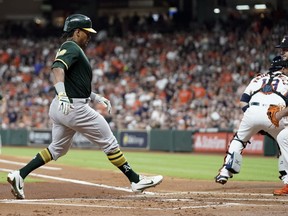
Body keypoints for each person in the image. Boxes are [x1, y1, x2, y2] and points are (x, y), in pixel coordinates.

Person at [7, 14, 163, 199]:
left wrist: (95, 97)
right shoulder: (71, 46)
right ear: (77, 32)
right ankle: (135, 180)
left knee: (58, 149)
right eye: (86, 32)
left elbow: (77, 84)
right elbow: (57, 68)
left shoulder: (74, 49)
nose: (89, 36)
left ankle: (20, 175)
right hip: (73, 107)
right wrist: (63, 93)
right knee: (109, 141)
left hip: (61, 106)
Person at [215, 55, 288, 186]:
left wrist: (252, 118)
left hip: (252, 110)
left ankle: (225, 172)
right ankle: (286, 177)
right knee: (283, 143)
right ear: (283, 68)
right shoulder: (286, 79)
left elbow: (243, 101)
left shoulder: (258, 78)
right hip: (275, 113)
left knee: (239, 140)